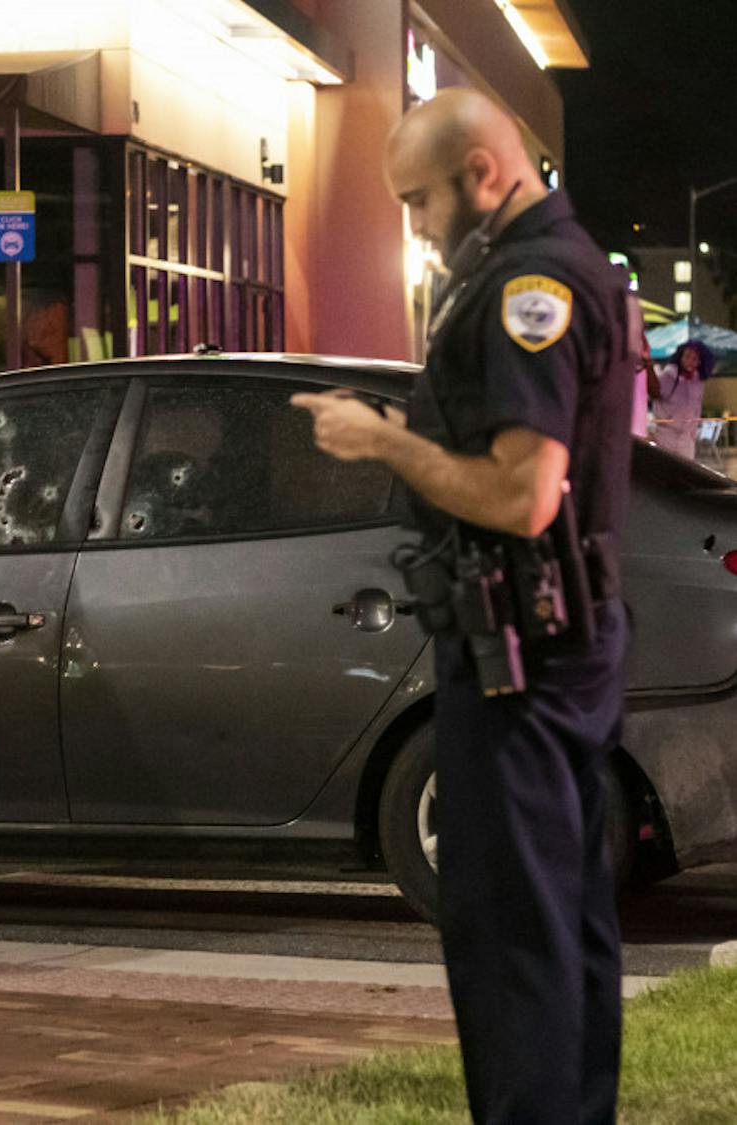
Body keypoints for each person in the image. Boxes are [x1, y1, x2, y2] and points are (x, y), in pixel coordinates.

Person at [291, 88, 633, 1124]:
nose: (416, 225)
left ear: (483, 174)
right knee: (563, 921)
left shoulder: (529, 286)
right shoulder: (568, 270)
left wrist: (385, 442)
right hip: (554, 642)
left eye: (419, 199)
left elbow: (522, 496)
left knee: (509, 936)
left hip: (519, 653)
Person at [650, 339, 715, 459]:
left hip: (687, 441)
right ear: (680, 356)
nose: (689, 361)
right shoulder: (668, 376)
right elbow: (655, 394)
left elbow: (697, 407)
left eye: (694, 358)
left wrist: (692, 433)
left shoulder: (699, 382)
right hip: (665, 438)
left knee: (685, 475)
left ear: (700, 362)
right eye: (687, 356)